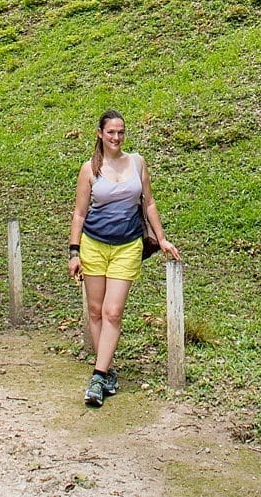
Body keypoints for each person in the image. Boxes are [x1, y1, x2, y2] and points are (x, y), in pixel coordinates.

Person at [68, 109, 180, 407]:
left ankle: (97, 375)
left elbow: (150, 203)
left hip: (127, 246)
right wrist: (74, 251)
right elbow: (79, 213)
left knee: (112, 312)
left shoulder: (137, 163)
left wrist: (162, 237)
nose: (116, 137)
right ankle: (107, 371)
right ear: (100, 134)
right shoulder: (89, 168)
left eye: (120, 132)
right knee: (95, 310)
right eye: (111, 133)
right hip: (93, 244)